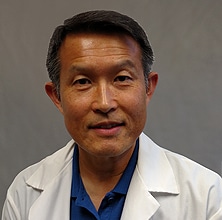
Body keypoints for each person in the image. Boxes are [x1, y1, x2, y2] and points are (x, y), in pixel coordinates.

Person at [2, 10, 222, 220]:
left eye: (122, 78)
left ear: (148, 88)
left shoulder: (208, 198)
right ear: (56, 96)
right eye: (83, 82)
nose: (104, 103)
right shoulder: (25, 194)